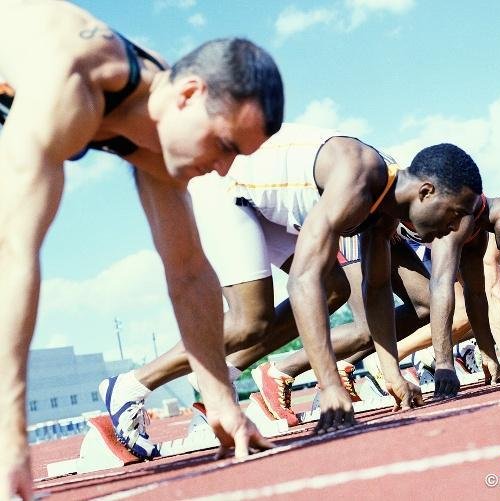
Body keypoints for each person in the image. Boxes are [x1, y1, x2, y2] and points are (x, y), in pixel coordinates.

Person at [0, 2, 284, 498]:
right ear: (189, 95)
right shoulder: (69, 80)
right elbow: (14, 253)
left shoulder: (158, 121)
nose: (222, 169)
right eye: (224, 146)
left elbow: (189, 271)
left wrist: (221, 401)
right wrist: (10, 441)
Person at [102, 122, 483, 450]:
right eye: (454, 214)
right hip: (225, 184)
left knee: (335, 289)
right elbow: (303, 280)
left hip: (265, 204)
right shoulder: (358, 179)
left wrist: (392, 375)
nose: (453, 228)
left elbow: (378, 287)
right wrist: (330, 385)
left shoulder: (386, 205)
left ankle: (225, 371)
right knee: (250, 321)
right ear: (427, 191)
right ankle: (130, 387)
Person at [258, 185, 500, 411]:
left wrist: (489, 355)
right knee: (366, 327)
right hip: (358, 225)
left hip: (387, 232)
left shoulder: (479, 228)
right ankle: (282, 370)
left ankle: (344, 364)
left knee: (423, 308)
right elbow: (442, 285)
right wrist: (444, 365)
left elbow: (476, 294)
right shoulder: (462, 211)